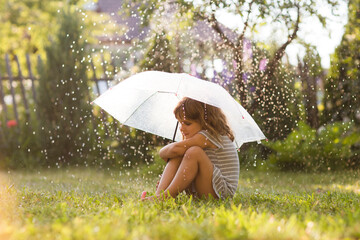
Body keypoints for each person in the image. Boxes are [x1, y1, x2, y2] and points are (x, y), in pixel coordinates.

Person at [142, 97, 239, 200]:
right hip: (206, 189)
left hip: (221, 192)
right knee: (180, 153)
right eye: (180, 122)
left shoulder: (208, 136)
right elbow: (173, 153)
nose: (181, 127)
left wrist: (164, 154)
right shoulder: (198, 138)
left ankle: (165, 197)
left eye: (187, 123)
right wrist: (171, 178)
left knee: (192, 152)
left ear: (205, 122)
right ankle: (159, 195)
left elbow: (170, 151)